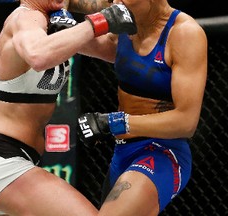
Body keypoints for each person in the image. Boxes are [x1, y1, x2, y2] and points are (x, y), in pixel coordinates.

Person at [0, 0, 137, 215]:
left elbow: (114, 53)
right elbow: (38, 56)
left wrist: (116, 7)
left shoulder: (53, 25)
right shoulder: (25, 18)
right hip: (0, 166)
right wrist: (100, 20)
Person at [74, 0, 208, 215]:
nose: (114, 3)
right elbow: (83, 4)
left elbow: (186, 122)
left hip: (161, 152)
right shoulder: (125, 17)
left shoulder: (184, 33)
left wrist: (110, 123)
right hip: (122, 152)